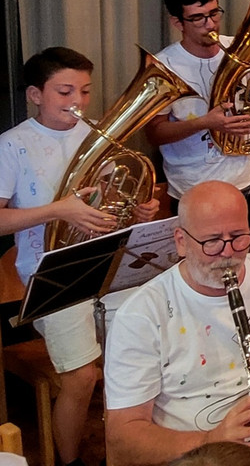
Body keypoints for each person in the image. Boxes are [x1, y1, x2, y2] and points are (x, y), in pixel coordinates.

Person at [104, 181, 250, 464]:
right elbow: (122, 439)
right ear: (181, 241)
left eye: (239, 236)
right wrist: (211, 440)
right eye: (212, 241)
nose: (228, 253)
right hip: (201, 458)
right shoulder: (141, 313)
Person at [0, 47, 158, 466]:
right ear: (35, 94)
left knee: (150, 341)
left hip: (104, 263)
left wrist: (139, 209)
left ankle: (137, 444)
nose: (79, 102)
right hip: (49, 274)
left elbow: (115, 198)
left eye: (85, 91)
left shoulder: (97, 137)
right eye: (65, 91)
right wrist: (58, 209)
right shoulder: (12, 145)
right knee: (82, 375)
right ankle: (70, 462)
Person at [145, 0, 250, 206]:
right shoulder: (163, 65)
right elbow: (154, 133)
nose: (211, 24)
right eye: (197, 18)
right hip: (192, 188)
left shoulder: (238, 47)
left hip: (243, 181)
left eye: (214, 13)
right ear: (177, 23)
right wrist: (205, 123)